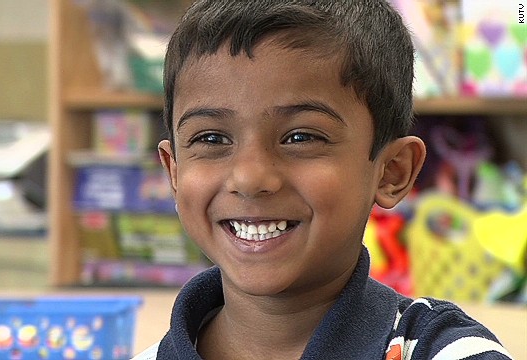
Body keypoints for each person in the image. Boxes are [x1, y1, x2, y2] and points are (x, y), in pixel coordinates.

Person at [134, 0, 513, 359]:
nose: (249, 178)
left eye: (301, 137)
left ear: (392, 171)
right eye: (211, 138)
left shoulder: (447, 351)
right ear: (175, 171)